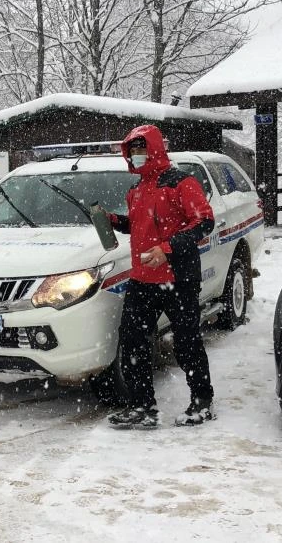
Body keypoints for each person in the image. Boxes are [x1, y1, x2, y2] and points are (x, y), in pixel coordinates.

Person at [106, 125, 217, 429]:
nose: (136, 156)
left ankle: (201, 402)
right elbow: (140, 225)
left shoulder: (182, 182)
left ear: (154, 149)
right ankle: (142, 406)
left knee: (187, 343)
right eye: (132, 152)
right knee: (133, 343)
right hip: (143, 279)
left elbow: (204, 222)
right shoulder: (136, 189)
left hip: (178, 279)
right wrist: (114, 221)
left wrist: (167, 249)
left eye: (141, 150)